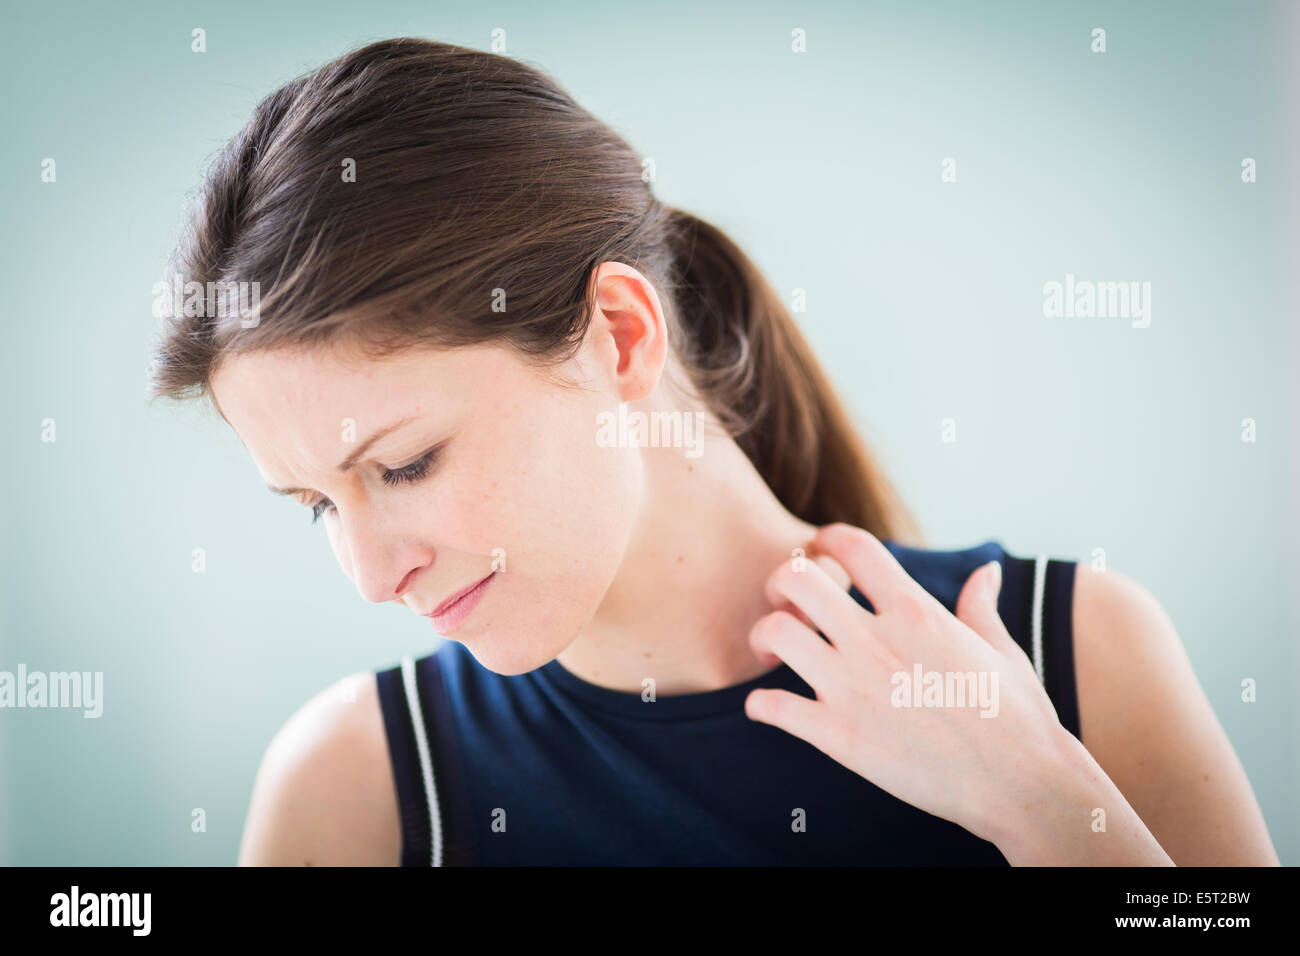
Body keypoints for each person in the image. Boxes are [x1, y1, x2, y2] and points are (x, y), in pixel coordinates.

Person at [147, 37, 1279, 866]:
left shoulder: (1076, 651)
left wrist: (1045, 809)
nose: (370, 574)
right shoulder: (354, 788)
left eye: (403, 465)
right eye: (314, 504)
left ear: (622, 337)